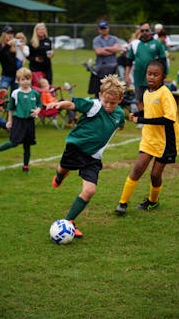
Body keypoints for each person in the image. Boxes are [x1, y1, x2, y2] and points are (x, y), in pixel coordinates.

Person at [47, 74, 125, 237]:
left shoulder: (119, 114)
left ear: (120, 99)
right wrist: (59, 104)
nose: (109, 106)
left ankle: (69, 222)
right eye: (106, 101)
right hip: (75, 149)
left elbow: (121, 123)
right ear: (100, 95)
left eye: (113, 103)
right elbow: (72, 104)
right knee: (62, 169)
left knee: (89, 191)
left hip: (93, 158)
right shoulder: (94, 106)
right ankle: (59, 177)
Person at [115, 60, 179, 215]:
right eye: (149, 74)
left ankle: (153, 201)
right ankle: (122, 204)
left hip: (166, 141)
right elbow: (150, 112)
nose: (151, 77)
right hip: (149, 139)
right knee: (137, 169)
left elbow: (169, 119)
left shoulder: (165, 94)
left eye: (155, 75)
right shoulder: (146, 93)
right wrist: (137, 114)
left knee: (155, 175)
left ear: (163, 77)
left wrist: (142, 120)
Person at [0, 67, 42, 172]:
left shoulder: (35, 93)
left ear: (31, 79)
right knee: (14, 142)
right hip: (18, 121)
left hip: (30, 122)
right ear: (18, 81)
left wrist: (37, 111)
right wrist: (9, 121)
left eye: (28, 79)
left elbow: (40, 105)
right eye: (23, 79)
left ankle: (25, 166)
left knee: (27, 145)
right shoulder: (15, 93)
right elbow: (11, 108)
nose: (26, 81)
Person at [125, 22, 167, 124]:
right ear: (140, 31)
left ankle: (153, 118)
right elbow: (129, 60)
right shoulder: (135, 44)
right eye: (142, 30)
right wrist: (127, 75)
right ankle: (142, 120)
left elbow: (163, 60)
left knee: (154, 98)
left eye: (146, 30)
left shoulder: (157, 43)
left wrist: (163, 75)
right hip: (139, 76)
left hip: (154, 77)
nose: (145, 32)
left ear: (150, 31)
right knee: (139, 99)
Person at [91, 20, 121, 98]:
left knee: (112, 87)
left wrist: (106, 48)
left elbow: (118, 49)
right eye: (101, 28)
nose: (103, 30)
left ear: (108, 28)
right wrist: (112, 50)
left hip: (113, 67)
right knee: (100, 88)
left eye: (105, 28)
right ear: (99, 29)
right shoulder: (96, 39)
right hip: (100, 68)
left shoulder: (114, 38)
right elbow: (98, 51)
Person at [0, 25, 18, 94]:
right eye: (8, 33)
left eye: (11, 33)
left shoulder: (15, 45)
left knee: (15, 98)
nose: (10, 35)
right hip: (5, 75)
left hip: (16, 76)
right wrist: (8, 45)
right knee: (0, 96)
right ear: (3, 34)